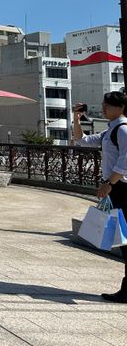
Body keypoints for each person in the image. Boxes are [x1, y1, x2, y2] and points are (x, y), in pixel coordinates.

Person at [73, 92, 127, 302]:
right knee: (123, 238)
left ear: (121, 107)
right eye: (104, 104)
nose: (104, 108)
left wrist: (109, 184)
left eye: (108, 105)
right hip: (116, 187)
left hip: (121, 187)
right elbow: (81, 140)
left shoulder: (122, 130)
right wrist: (77, 119)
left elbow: (125, 161)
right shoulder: (109, 131)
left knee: (126, 239)